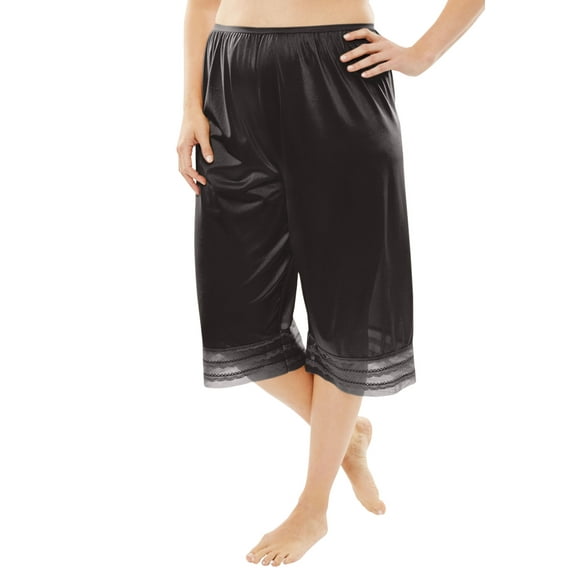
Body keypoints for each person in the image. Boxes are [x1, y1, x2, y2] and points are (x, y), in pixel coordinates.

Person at [176, 0, 484, 566]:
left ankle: (312, 508)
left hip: (337, 77)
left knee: (348, 307)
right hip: (231, 82)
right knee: (234, 316)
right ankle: (347, 435)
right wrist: (190, 104)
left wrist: (419, 56)